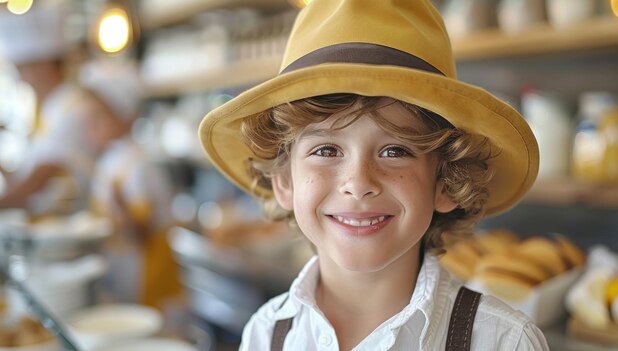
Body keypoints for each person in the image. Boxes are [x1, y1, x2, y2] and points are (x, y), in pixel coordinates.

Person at [198, 0, 547, 350]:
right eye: (326, 151)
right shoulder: (265, 334)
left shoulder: (503, 341)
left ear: (445, 182)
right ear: (284, 181)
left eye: (395, 151)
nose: (359, 183)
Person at [0, 1, 117, 215]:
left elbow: (37, 183)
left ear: (44, 65)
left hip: (76, 232)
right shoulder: (51, 111)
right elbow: (27, 178)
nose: (22, 80)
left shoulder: (75, 108)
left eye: (24, 69)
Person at [83, 59, 181, 309]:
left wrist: (122, 210)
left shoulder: (138, 165)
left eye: (98, 117)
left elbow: (142, 232)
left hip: (145, 270)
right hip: (120, 267)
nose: (89, 126)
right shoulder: (109, 160)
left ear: (124, 117)